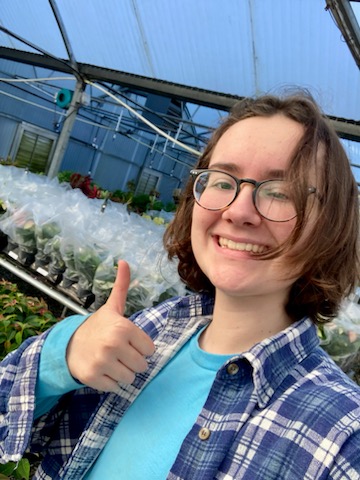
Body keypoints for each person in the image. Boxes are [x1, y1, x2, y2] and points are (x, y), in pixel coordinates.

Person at [1, 92, 360, 479]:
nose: (238, 211)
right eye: (222, 181)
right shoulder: (152, 331)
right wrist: (63, 356)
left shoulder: (340, 437)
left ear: (331, 226)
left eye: (280, 192)